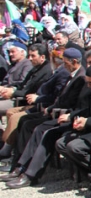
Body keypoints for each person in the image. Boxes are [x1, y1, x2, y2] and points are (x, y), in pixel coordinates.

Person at [1, 48, 86, 187]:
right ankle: (20, 166)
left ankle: (30, 174)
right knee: (26, 122)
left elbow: (69, 102)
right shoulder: (73, 75)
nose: (63, 66)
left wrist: (54, 109)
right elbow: (61, 98)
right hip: (57, 111)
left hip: (66, 115)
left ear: (74, 62)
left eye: (65, 63)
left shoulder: (80, 78)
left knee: (41, 130)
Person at [0, 44, 52, 120]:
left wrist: (13, 93)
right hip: (18, 96)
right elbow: (23, 84)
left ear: (42, 57)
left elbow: (31, 91)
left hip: (25, 101)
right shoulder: (35, 68)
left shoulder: (46, 71)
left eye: (33, 56)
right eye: (29, 56)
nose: (30, 59)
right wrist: (10, 89)